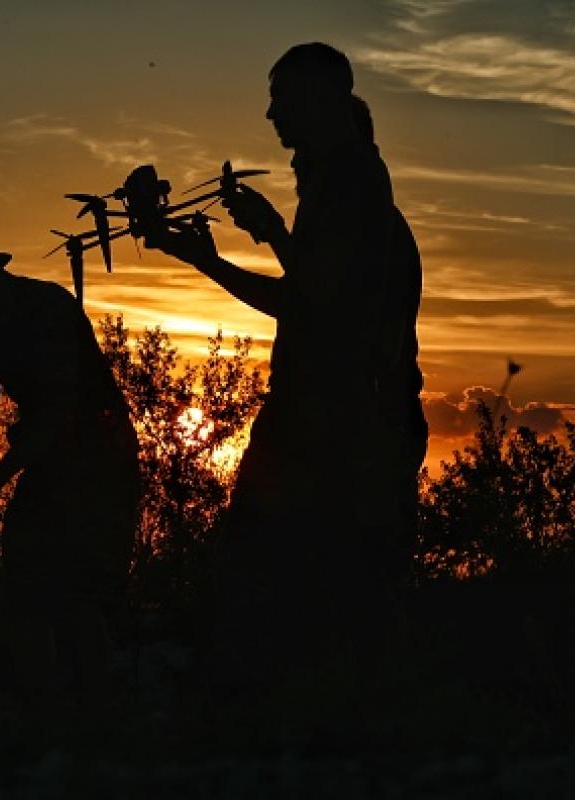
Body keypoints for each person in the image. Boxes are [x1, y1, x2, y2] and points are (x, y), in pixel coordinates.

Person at [149, 43, 427, 684]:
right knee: (317, 588)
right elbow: (309, 298)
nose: (271, 115)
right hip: (328, 419)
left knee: (283, 581)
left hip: (336, 423)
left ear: (323, 100)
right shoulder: (348, 191)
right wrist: (244, 245)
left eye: (282, 98)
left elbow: (315, 307)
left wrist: (248, 243)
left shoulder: (354, 185)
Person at [0, 224, 140, 701]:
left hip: (99, 460)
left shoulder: (48, 310)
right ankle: (53, 705)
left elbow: (58, 412)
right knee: (28, 582)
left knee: (76, 590)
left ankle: (88, 708)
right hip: (53, 461)